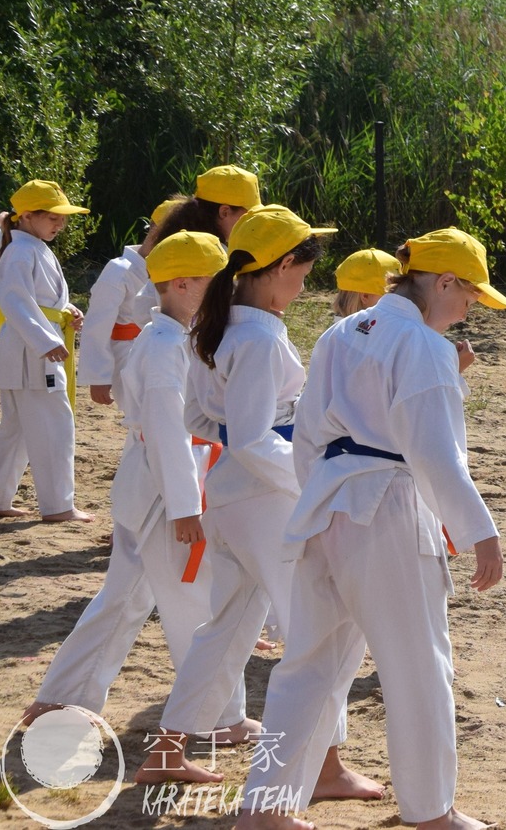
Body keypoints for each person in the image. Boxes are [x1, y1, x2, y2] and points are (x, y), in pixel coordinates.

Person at [236, 229, 506, 830]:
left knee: (307, 666)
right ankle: (431, 811)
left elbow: (306, 433)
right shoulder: (424, 346)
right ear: (443, 283)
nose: (471, 309)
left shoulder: (341, 332)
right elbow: (436, 454)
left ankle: (264, 808)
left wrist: (319, 494)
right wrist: (478, 531)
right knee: (418, 665)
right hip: (387, 505)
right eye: (469, 295)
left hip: (327, 501)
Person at [135, 205, 379, 800]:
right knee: (316, 628)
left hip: (229, 497)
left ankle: (169, 749)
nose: (305, 285)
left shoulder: (218, 327)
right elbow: (248, 437)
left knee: (226, 630)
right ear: (283, 265)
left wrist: (267, 445)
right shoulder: (259, 336)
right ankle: (325, 767)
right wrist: (308, 475)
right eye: (303, 271)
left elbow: (202, 419)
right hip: (268, 501)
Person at [24, 230, 253, 739]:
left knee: (124, 597)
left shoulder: (166, 337)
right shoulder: (166, 344)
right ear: (184, 283)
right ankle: (219, 717)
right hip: (163, 486)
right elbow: (169, 429)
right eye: (218, 281)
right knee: (193, 602)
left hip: (146, 481)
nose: (226, 290)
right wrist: (184, 506)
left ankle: (63, 696)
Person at [0, 180, 93, 523]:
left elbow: (39, 299)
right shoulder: (21, 251)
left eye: (62, 218)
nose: (60, 224)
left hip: (27, 350)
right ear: (26, 216)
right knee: (54, 424)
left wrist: (68, 310)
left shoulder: (30, 247)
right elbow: (13, 300)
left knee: (17, 429)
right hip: (32, 354)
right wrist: (45, 340)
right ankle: (59, 506)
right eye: (52, 217)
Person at [74, 198, 180, 410]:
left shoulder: (171, 269)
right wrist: (98, 376)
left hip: (164, 352)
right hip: (127, 355)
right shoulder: (119, 270)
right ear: (155, 231)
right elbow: (97, 325)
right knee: (140, 420)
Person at [331, 247, 401, 318]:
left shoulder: (339, 327)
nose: (399, 301)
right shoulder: (379, 327)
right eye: (392, 296)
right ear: (365, 296)